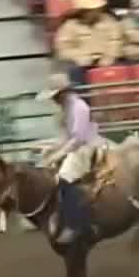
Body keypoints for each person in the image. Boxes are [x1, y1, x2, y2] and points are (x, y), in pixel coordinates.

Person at [36, 73, 106, 245]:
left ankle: (76, 225)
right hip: (77, 145)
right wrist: (49, 148)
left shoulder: (78, 107)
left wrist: (58, 154)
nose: (53, 100)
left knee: (65, 177)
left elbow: (78, 139)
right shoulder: (67, 108)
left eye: (54, 96)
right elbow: (66, 138)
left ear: (62, 93)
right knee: (44, 163)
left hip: (88, 147)